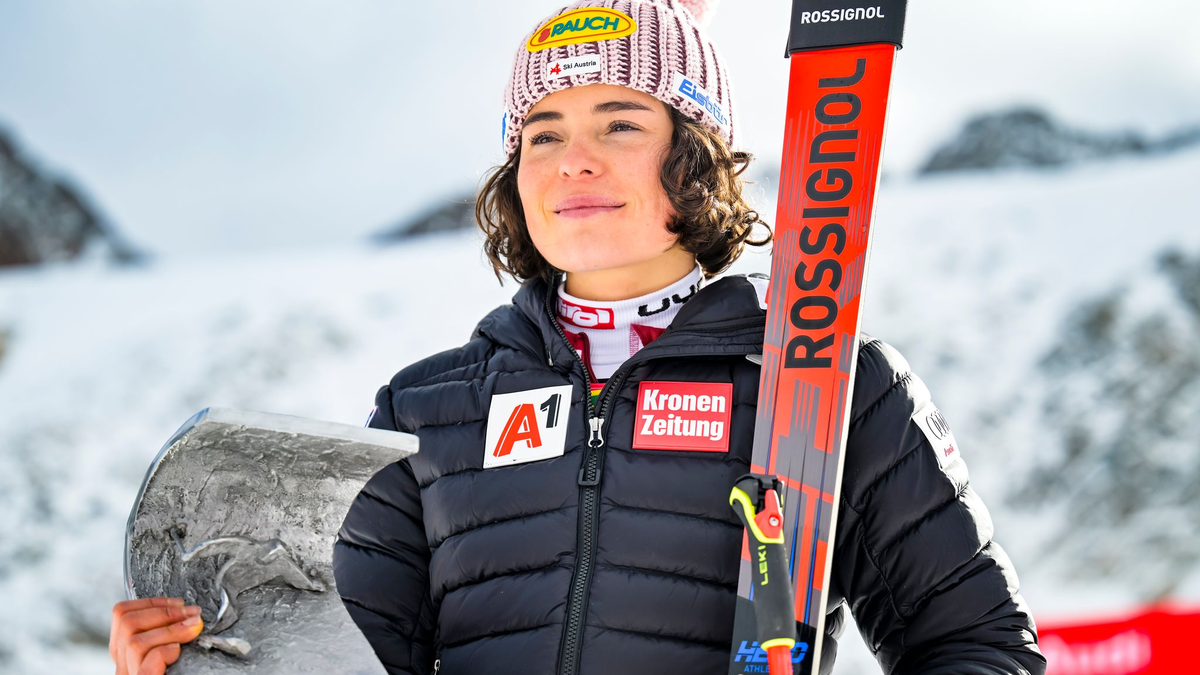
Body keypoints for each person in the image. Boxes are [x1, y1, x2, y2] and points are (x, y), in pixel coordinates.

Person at [110, 1, 1045, 674]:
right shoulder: (425, 410)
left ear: (696, 156)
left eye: (621, 122)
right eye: (543, 134)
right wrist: (197, 662)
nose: (575, 161)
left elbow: (981, 646)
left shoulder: (828, 379)